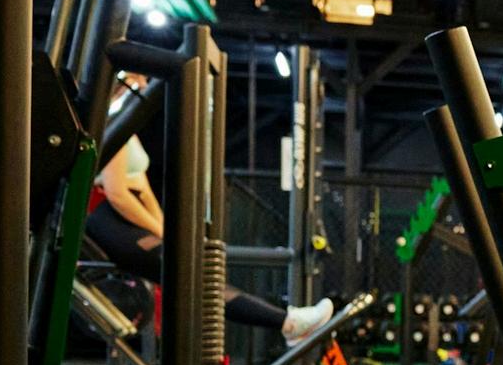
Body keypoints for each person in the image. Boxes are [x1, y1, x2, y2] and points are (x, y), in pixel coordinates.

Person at [86, 134, 334, 344]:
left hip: (129, 216)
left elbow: (142, 187)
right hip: (109, 219)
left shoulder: (129, 124)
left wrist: (165, 230)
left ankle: (288, 323)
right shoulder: (114, 123)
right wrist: (162, 233)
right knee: (197, 277)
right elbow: (117, 194)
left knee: (200, 275)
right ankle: (289, 323)